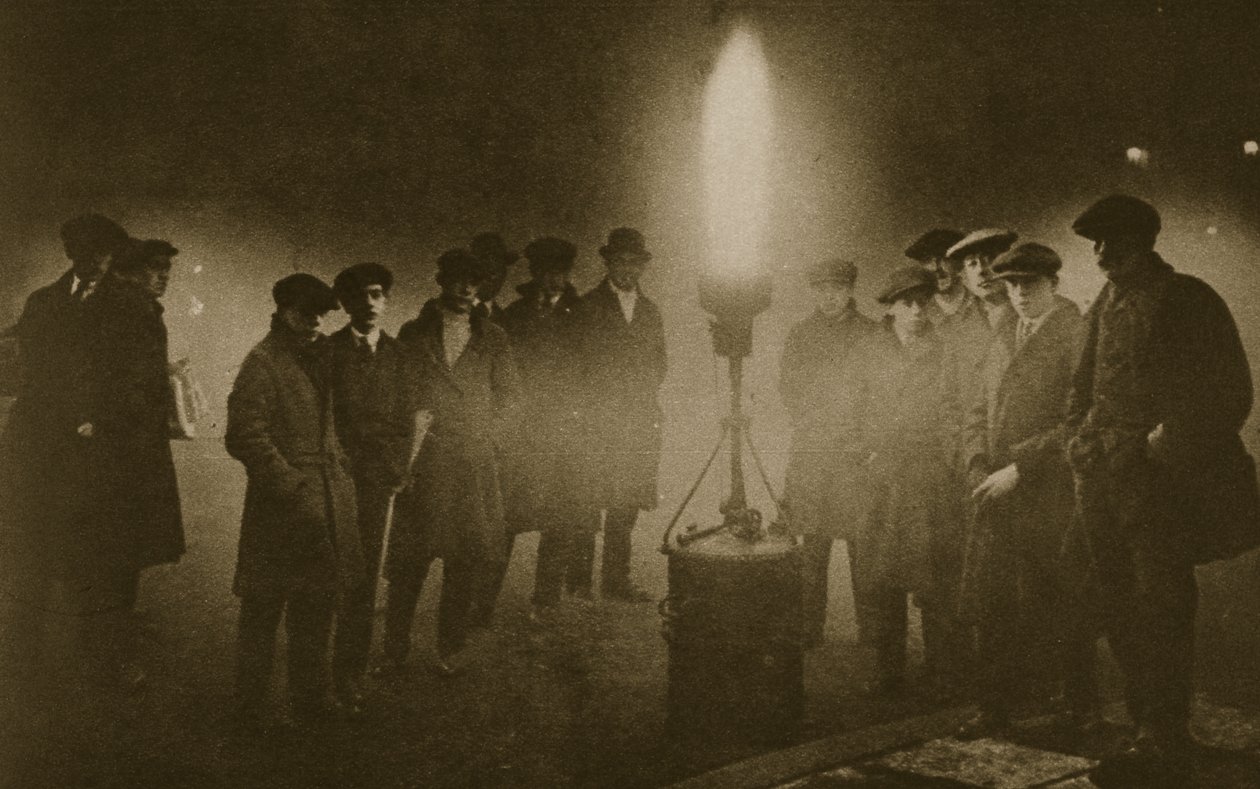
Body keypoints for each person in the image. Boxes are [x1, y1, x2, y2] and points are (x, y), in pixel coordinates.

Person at [1065, 195, 1257, 775]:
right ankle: (1142, 725)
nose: (1100, 254)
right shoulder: (1103, 304)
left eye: (1111, 243)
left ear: (1141, 243)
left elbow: (1230, 389)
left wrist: (1166, 439)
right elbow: (1081, 386)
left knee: (1161, 605)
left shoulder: (1188, 298)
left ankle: (1164, 733)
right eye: (1097, 244)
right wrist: (1079, 440)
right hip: (1101, 480)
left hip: (1160, 487)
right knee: (1116, 601)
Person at [954, 243, 1097, 737]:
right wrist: (975, 462)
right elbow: (976, 408)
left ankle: (1081, 706)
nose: (1019, 294)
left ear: (1054, 284)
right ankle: (993, 708)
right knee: (994, 603)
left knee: (1064, 599)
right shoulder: (1003, 332)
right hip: (995, 489)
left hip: (1051, 491)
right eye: (1012, 284)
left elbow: (1082, 420)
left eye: (1030, 284)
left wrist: (1022, 468)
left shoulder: (1076, 333)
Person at [226, 273, 363, 728]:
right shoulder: (262, 362)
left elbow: (336, 423)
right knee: (264, 608)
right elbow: (245, 436)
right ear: (285, 313)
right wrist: (291, 485)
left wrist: (340, 467)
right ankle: (250, 708)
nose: (317, 322)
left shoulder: (321, 356)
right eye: (307, 314)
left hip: (326, 499)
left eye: (322, 315)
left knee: (317, 604)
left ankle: (311, 699)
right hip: (279, 507)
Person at [0, 214, 130, 694]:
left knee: (94, 561)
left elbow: (129, 378)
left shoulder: (127, 305)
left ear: (112, 255)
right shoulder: (43, 301)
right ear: (70, 253)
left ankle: (99, 664)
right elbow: (25, 364)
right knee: (31, 553)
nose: (93, 262)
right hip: (39, 446)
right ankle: (24, 665)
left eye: (102, 253)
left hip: (95, 452)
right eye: (83, 251)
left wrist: (99, 420)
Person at [386, 249, 519, 676]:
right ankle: (394, 650)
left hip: (471, 464)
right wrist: (406, 447)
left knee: (465, 560)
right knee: (409, 562)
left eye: (473, 282)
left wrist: (489, 439)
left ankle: (451, 648)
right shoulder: (414, 332)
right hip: (424, 460)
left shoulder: (493, 337)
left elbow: (511, 399)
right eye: (458, 280)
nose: (465, 289)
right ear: (442, 282)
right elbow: (397, 393)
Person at [84, 238, 188, 689]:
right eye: (155, 268)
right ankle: (111, 657)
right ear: (129, 269)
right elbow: (113, 381)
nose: (163, 276)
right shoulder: (125, 309)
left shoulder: (124, 305)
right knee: (116, 554)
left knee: (116, 552)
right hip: (121, 454)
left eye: (168, 269)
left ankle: (111, 639)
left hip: (127, 450)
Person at [849, 266, 949, 694]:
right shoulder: (868, 348)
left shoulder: (942, 348)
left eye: (924, 302)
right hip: (880, 477)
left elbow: (951, 406)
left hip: (927, 476)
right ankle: (887, 670)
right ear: (891, 307)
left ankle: (942, 669)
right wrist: (864, 454)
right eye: (908, 303)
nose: (917, 310)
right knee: (881, 577)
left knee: (933, 574)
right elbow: (848, 409)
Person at [929, 227, 1018, 693]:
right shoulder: (958, 332)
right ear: (961, 276)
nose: (982, 271)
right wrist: (970, 461)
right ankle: (988, 687)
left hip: (1029, 469)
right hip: (975, 469)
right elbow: (950, 405)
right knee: (981, 581)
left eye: (989, 259)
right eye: (970, 264)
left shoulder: (1031, 317)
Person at [327, 262, 415, 710]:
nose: (369, 304)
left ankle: (349, 673)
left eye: (377, 294)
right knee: (326, 575)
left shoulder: (400, 356)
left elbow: (407, 421)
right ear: (344, 303)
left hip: (376, 480)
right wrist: (334, 463)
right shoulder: (327, 352)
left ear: (387, 300)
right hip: (333, 479)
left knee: (363, 578)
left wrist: (395, 468)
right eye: (359, 296)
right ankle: (313, 671)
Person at [779, 257, 879, 647]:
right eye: (822, 290)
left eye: (837, 289)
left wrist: (861, 437)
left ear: (850, 290)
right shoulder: (801, 334)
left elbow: (879, 393)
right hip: (813, 453)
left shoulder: (872, 333)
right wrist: (813, 421)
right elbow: (788, 388)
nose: (829, 297)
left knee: (863, 545)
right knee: (812, 545)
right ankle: (809, 630)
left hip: (855, 455)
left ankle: (872, 633)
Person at [573, 228, 667, 602]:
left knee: (626, 501)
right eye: (620, 262)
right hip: (595, 420)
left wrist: (639, 393)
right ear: (608, 263)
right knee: (587, 500)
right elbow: (576, 364)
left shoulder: (650, 311)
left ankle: (615, 581)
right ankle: (578, 582)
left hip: (638, 419)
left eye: (634, 263)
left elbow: (660, 363)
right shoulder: (586, 306)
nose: (627, 270)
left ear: (642, 267)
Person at [496, 236, 586, 618]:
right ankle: (484, 599)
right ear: (534, 274)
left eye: (561, 273)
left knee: (561, 517)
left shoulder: (583, 315)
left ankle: (546, 600)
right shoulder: (513, 316)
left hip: (566, 430)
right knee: (508, 515)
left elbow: (594, 372)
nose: (554, 280)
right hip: (524, 430)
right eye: (547, 273)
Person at [904, 229, 966, 326]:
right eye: (927, 260)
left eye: (944, 258)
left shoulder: (982, 303)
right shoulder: (915, 314)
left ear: (960, 262)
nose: (936, 268)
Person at [470, 231, 520, 324]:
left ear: (504, 274)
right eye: (487, 271)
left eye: (498, 270)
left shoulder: (507, 321)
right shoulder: (449, 313)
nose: (492, 278)